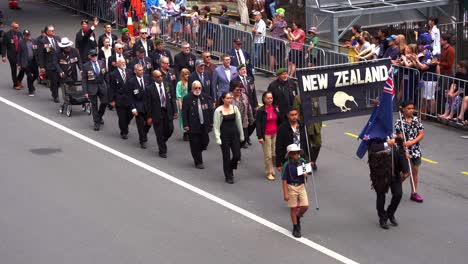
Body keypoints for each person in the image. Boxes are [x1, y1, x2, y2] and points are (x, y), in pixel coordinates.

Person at [367, 138, 409, 229]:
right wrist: (387, 143)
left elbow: (402, 152)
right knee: (381, 196)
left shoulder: (395, 137)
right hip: (381, 173)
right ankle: (382, 218)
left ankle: (389, 214)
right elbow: (372, 148)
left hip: (395, 172)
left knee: (398, 194)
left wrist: (405, 169)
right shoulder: (375, 137)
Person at [394, 101, 425, 203]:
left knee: (415, 171)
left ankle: (414, 193)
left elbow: (421, 134)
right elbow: (398, 138)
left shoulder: (416, 120)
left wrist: (412, 141)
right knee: (406, 173)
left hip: (415, 149)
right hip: (404, 151)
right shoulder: (399, 123)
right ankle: (395, 185)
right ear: (403, 109)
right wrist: (403, 144)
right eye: (409, 108)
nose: (411, 110)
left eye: (412, 108)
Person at [213, 92, 244, 184]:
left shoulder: (235, 108)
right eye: (227, 98)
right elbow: (216, 126)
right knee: (226, 156)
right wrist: (218, 138)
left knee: (237, 155)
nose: (229, 100)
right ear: (223, 99)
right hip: (224, 136)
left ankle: (230, 167)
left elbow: (239, 122)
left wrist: (241, 135)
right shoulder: (219, 111)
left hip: (234, 135)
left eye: (230, 98)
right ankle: (228, 176)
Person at [145, 70, 177, 158]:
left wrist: (175, 111)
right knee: (159, 133)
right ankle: (162, 150)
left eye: (161, 76)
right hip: (156, 113)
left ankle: (162, 141)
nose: (160, 78)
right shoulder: (149, 88)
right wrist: (149, 116)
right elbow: (148, 104)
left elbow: (172, 99)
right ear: (154, 78)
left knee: (170, 129)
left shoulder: (168, 85)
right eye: (158, 77)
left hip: (167, 111)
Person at [182, 81, 213, 169]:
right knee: (195, 144)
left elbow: (210, 110)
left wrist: (211, 122)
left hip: (204, 124)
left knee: (205, 141)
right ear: (192, 89)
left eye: (199, 88)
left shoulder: (205, 97)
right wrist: (185, 124)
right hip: (193, 125)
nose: (197, 90)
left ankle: (198, 151)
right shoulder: (187, 98)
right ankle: (198, 161)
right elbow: (184, 113)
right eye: (195, 88)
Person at [281, 144, 310, 238]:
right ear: (290, 154)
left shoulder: (302, 162)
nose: (297, 155)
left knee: (305, 206)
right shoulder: (287, 165)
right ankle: (295, 227)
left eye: (297, 153)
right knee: (293, 207)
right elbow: (284, 180)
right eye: (294, 153)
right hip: (291, 187)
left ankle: (298, 216)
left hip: (301, 186)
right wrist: (285, 193)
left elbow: (307, 173)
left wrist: (306, 174)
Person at [256, 91, 281, 180]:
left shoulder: (275, 108)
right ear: (264, 99)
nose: (270, 100)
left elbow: (279, 119)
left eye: (271, 98)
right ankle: (268, 172)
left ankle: (272, 167)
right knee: (268, 155)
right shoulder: (261, 110)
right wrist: (260, 137)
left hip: (275, 133)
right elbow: (258, 124)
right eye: (268, 98)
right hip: (266, 134)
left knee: (274, 154)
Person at [231, 64, 258, 144]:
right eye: (242, 69)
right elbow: (232, 93)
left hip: (251, 104)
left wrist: (256, 105)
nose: (244, 71)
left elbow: (254, 93)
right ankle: (243, 139)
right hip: (241, 104)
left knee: (252, 121)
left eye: (245, 69)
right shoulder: (234, 81)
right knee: (243, 121)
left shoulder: (250, 79)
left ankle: (247, 136)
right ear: (238, 71)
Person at [293, 95, 321, 171]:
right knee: (304, 147)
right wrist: (299, 125)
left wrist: (320, 123)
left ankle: (312, 161)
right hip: (304, 125)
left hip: (315, 125)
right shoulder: (298, 98)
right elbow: (296, 113)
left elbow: (321, 110)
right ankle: (304, 167)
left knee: (318, 144)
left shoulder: (317, 95)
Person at [82, 49, 108, 131]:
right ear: (89, 56)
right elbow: (84, 80)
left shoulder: (102, 63)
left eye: (95, 55)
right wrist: (85, 91)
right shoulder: (86, 66)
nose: (94, 57)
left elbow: (106, 75)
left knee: (104, 102)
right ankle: (96, 122)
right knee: (94, 105)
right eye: (93, 56)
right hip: (92, 86)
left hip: (101, 85)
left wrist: (108, 86)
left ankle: (99, 116)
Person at [127, 64, 151, 148]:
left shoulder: (147, 78)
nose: (141, 72)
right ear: (135, 71)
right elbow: (130, 96)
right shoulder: (131, 81)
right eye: (139, 70)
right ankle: (143, 140)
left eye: (142, 70)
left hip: (148, 105)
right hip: (138, 105)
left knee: (149, 123)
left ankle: (144, 133)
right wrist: (133, 108)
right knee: (140, 124)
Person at [109, 58, 133, 139]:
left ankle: (125, 125)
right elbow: (112, 88)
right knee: (122, 117)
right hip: (119, 99)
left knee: (130, 115)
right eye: (121, 62)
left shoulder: (129, 72)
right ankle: (124, 132)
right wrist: (112, 100)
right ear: (117, 64)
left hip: (129, 98)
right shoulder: (113, 74)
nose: (123, 63)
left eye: (124, 62)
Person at [37, 25, 62, 103]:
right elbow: (40, 55)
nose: (53, 31)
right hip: (49, 65)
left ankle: (53, 88)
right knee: (54, 80)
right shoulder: (42, 41)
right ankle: (55, 96)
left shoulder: (57, 38)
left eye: (53, 30)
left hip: (59, 64)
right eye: (51, 30)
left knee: (58, 81)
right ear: (47, 32)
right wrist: (42, 67)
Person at [57, 37, 82, 104]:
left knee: (73, 89)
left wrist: (81, 69)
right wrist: (60, 71)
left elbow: (79, 61)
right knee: (65, 91)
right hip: (63, 75)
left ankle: (74, 101)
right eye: (65, 47)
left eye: (68, 47)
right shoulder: (58, 53)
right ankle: (66, 102)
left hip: (73, 74)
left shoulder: (75, 51)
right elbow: (55, 63)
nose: (67, 48)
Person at [230, 81, 254, 149]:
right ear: (233, 90)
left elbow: (249, 108)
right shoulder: (229, 97)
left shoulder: (244, 96)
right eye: (237, 90)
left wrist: (251, 119)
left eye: (240, 89)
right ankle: (237, 154)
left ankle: (238, 150)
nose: (239, 91)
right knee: (235, 140)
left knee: (244, 139)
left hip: (244, 121)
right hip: (233, 123)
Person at [17, 29, 39, 96]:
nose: (28, 36)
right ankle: (30, 90)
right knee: (29, 76)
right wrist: (19, 64)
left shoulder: (34, 41)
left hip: (33, 61)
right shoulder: (21, 42)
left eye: (29, 35)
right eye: (26, 35)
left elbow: (36, 50)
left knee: (36, 75)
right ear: (24, 36)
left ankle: (31, 84)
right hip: (25, 62)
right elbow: (19, 54)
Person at [2, 22, 24, 90]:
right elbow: (3, 45)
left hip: (19, 54)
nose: (17, 29)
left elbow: (23, 43)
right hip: (12, 55)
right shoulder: (7, 34)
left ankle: (18, 80)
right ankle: (15, 84)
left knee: (23, 67)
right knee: (14, 69)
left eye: (18, 27)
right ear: (12, 27)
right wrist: (3, 56)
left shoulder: (20, 34)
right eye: (15, 27)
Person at [176, 68, 190, 141]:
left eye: (188, 74)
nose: (187, 76)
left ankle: (190, 131)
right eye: (185, 74)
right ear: (182, 75)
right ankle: (185, 132)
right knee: (183, 117)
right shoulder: (179, 83)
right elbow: (178, 95)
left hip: (190, 102)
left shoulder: (190, 82)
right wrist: (180, 104)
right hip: (183, 102)